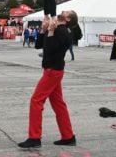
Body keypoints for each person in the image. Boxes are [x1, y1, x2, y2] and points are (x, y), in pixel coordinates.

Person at [18, 10, 77, 149]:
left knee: (36, 101)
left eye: (66, 12)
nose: (63, 11)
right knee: (58, 104)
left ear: (67, 18)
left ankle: (34, 137)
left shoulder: (64, 31)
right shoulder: (58, 29)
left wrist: (50, 31)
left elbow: (50, 49)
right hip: (53, 70)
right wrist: (44, 31)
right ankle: (68, 136)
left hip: (53, 71)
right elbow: (39, 46)